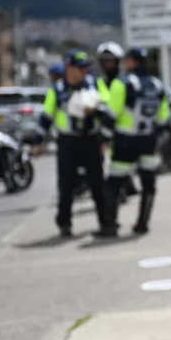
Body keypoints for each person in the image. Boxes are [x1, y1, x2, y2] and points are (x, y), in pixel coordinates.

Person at [40, 51, 110, 238]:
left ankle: (106, 221)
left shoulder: (95, 83)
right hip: (68, 141)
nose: (84, 71)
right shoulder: (57, 89)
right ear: (69, 68)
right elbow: (46, 116)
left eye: (86, 67)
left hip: (91, 139)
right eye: (80, 67)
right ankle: (64, 223)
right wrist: (38, 142)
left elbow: (108, 104)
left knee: (97, 183)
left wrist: (95, 109)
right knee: (66, 185)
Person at [103, 47, 170, 235]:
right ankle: (143, 224)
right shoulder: (157, 85)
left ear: (132, 61)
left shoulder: (122, 83)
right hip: (148, 141)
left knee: (114, 183)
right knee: (148, 184)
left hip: (125, 141)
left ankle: (110, 225)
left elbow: (111, 113)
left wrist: (105, 136)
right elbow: (164, 118)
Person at [96, 41, 139, 201]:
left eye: (111, 61)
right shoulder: (96, 84)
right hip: (102, 132)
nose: (108, 65)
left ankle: (124, 187)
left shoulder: (127, 83)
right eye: (105, 61)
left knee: (121, 164)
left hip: (123, 131)